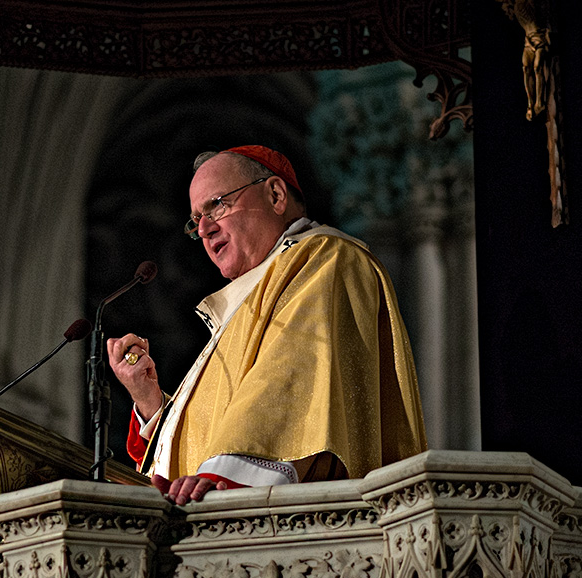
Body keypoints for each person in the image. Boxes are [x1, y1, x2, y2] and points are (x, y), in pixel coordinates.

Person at [107, 145, 426, 505]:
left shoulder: (324, 259)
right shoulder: (249, 297)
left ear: (275, 195)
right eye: (196, 221)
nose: (206, 229)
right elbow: (207, 440)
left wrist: (223, 477)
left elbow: (289, 378)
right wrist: (150, 404)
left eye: (217, 205)